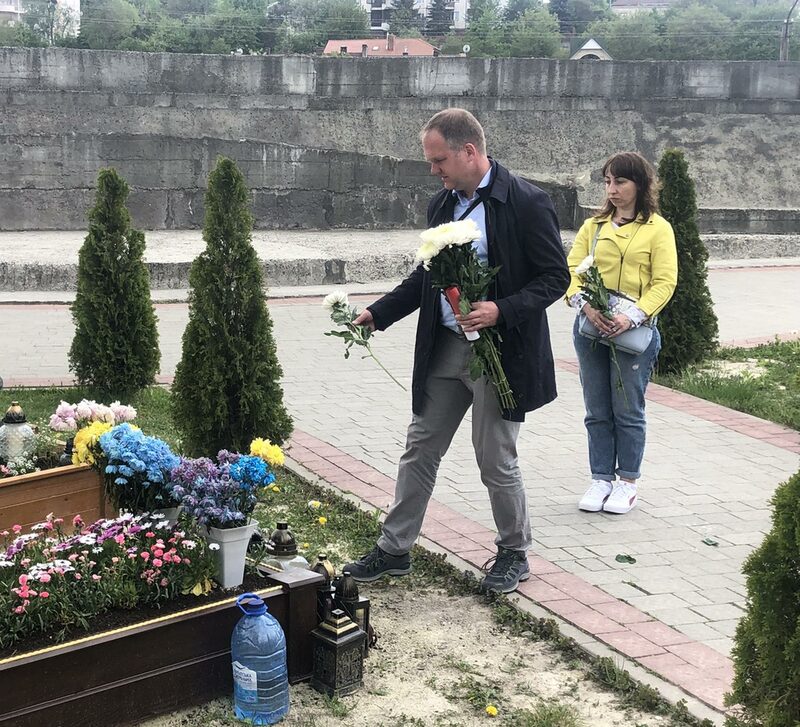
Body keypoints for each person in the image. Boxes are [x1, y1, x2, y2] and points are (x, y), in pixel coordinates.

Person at [343, 108, 570, 593]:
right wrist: (378, 314)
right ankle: (394, 550)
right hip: (446, 348)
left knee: (494, 457)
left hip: (500, 352)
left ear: (470, 151)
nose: (434, 170)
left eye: (439, 159)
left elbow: (556, 278)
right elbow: (425, 276)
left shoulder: (527, 201)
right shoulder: (442, 205)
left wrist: (500, 310)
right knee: (419, 447)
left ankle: (513, 552)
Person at [566, 152, 677, 515]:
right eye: (608, 182)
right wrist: (585, 305)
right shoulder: (593, 227)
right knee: (597, 408)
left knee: (627, 409)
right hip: (591, 328)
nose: (612, 190)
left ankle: (626, 482)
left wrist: (632, 316)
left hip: (633, 333)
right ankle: (600, 478)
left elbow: (664, 283)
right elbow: (570, 271)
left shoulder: (657, 229)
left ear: (640, 185)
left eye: (620, 182)